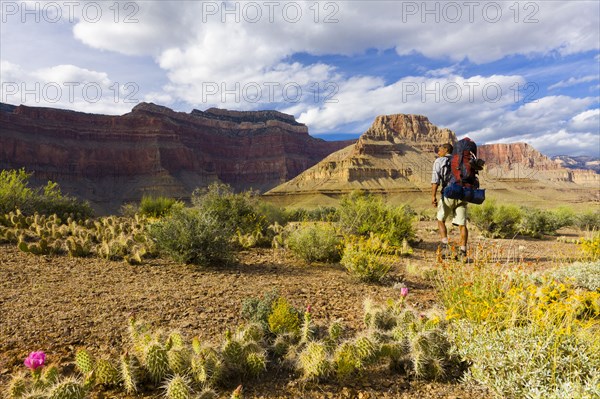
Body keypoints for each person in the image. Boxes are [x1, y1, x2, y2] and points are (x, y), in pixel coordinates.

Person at [431, 143, 469, 261]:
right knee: (462, 225)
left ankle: (445, 246)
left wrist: (433, 196)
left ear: (446, 150)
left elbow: (435, 180)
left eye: (440, 149)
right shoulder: (460, 161)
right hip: (462, 194)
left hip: (448, 194)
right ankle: (463, 251)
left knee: (440, 219)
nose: (438, 151)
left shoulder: (439, 161)